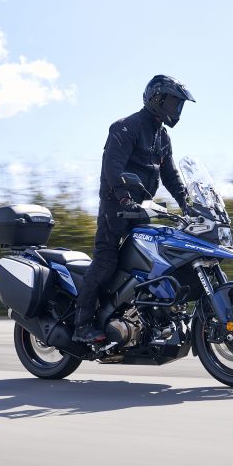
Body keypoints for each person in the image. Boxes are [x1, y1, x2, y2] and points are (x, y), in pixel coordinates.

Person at [72, 75, 195, 342]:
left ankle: (139, 320)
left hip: (142, 209)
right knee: (106, 261)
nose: (176, 109)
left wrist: (188, 204)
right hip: (116, 206)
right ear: (156, 99)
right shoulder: (126, 127)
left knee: (149, 264)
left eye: (179, 104)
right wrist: (124, 198)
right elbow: (113, 168)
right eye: (173, 102)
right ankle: (81, 324)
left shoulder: (163, 137)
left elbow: (171, 176)